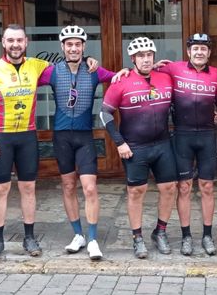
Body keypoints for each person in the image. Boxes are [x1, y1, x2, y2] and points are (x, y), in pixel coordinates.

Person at [37, 25, 125, 260]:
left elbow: (119, 77)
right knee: (68, 186)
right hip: (61, 136)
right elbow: (22, 79)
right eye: (69, 44)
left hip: (84, 136)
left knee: (90, 187)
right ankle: (78, 235)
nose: (73, 48)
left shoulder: (93, 70)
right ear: (62, 47)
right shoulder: (52, 72)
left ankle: (93, 239)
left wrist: (138, 69)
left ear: (84, 47)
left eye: (78, 44)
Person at [0, 24, 51, 261]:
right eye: (11, 40)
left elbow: (68, 69)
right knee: (0, 189)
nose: (15, 45)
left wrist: (89, 61)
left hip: (27, 136)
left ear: (26, 42)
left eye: (19, 40)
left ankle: (29, 237)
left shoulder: (37, 65)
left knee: (28, 188)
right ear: (3, 43)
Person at [100, 36, 177, 259]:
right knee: (136, 191)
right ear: (133, 59)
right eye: (140, 56)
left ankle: (160, 232)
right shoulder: (121, 81)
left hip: (162, 144)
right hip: (134, 146)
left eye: (149, 55)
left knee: (169, 188)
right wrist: (119, 143)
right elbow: (104, 114)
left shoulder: (165, 77)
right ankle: (137, 237)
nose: (146, 59)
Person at [156, 33, 217, 256]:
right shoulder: (173, 68)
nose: (199, 52)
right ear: (188, 51)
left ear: (209, 52)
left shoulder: (216, 74)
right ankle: (186, 236)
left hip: (206, 135)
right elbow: (146, 72)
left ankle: (207, 235)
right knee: (184, 187)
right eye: (195, 48)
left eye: (204, 48)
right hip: (182, 135)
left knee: (207, 187)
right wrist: (127, 71)